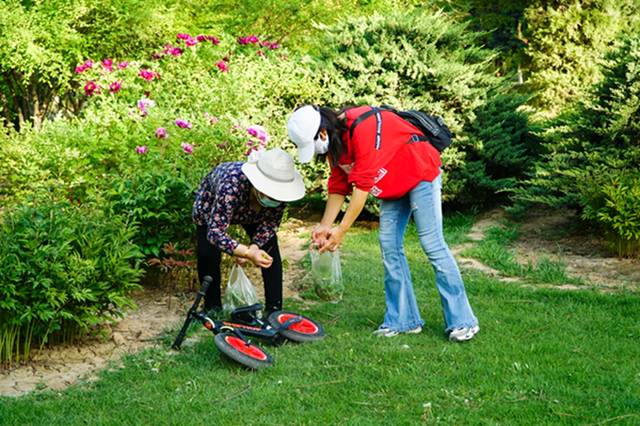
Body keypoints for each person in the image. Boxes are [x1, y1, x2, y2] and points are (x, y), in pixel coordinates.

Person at [287, 105, 479, 341]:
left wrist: (342, 230)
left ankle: (463, 321)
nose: (316, 153)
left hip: (420, 172)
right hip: (393, 186)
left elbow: (363, 185)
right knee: (389, 246)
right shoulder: (336, 142)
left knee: (432, 244)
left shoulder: (363, 126)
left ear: (322, 134)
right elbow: (339, 183)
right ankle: (404, 320)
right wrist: (326, 225)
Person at [192, 147, 305, 316]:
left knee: (269, 250)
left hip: (255, 213)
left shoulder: (280, 195)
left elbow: (270, 225)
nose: (275, 198)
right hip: (213, 206)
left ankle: (275, 310)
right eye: (270, 193)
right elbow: (215, 232)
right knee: (208, 253)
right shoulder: (231, 184)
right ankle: (212, 308)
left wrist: (254, 247)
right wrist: (244, 252)